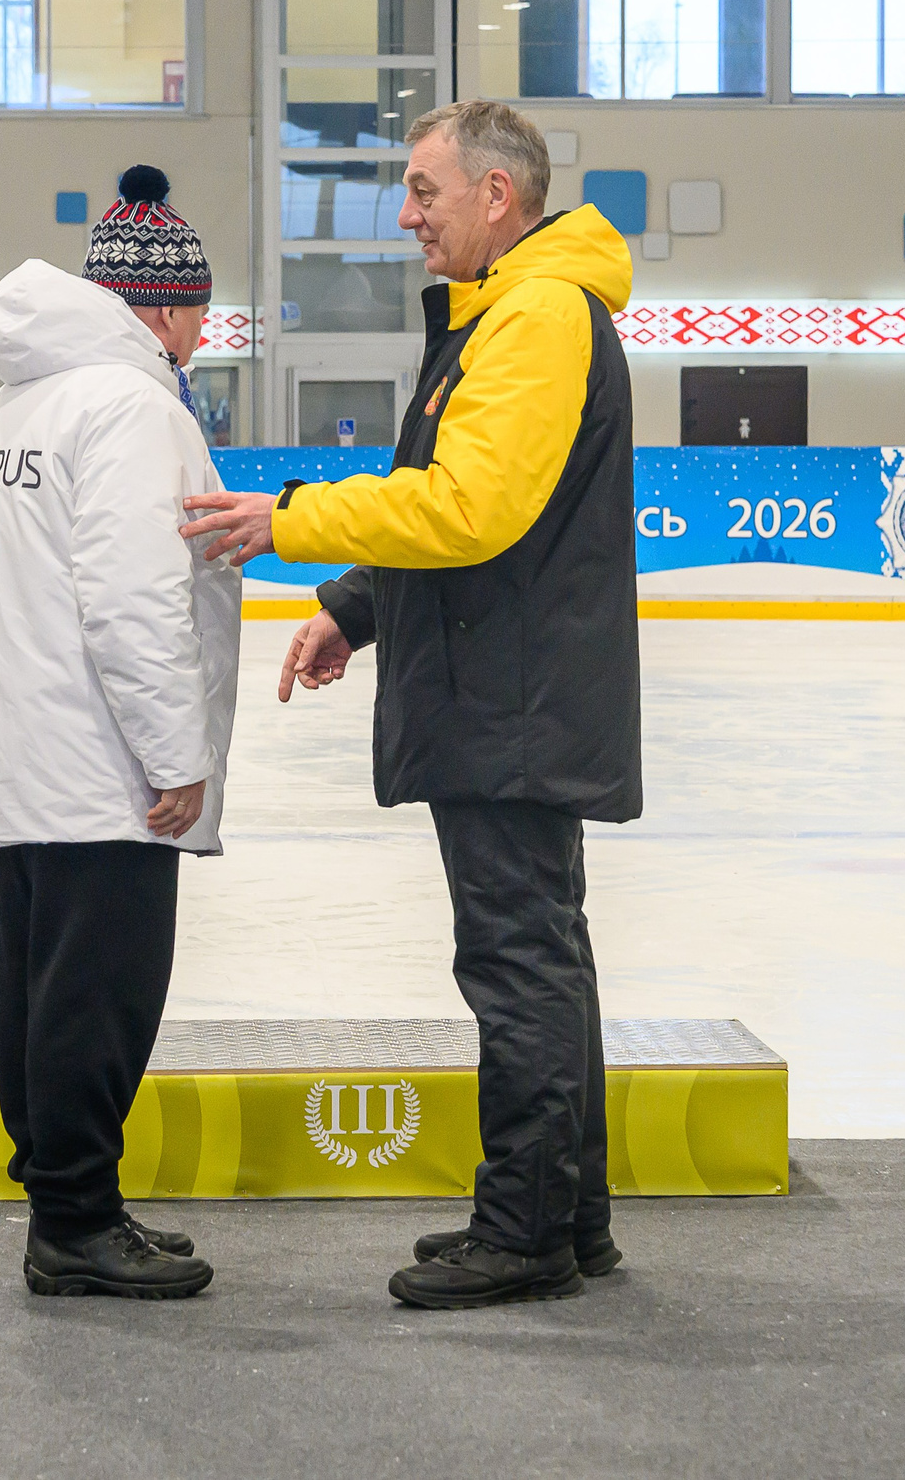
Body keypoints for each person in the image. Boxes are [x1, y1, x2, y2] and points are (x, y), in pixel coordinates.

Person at [181, 100, 639, 1311]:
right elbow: (457, 498)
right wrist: (355, 605)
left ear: (498, 195)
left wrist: (291, 520)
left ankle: (528, 1229)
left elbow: (469, 508)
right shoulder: (505, 312)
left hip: (514, 697)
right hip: (504, 685)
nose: (405, 214)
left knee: (517, 960)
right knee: (542, 950)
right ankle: (564, 1214)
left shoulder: (536, 316)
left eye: (425, 191)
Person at [0, 165, 239, 1302]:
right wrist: (176, 758)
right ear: (161, 310)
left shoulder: (10, 403)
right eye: (203, 311)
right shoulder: (129, 406)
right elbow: (130, 599)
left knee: (38, 985)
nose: (204, 334)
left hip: (27, 753)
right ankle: (73, 1223)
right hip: (100, 762)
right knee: (97, 996)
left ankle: (75, 1204)